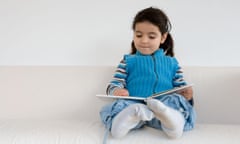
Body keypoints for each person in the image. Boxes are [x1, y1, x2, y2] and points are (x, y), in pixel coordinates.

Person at [99, 7, 196, 142]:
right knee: (112, 109)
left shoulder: (172, 63)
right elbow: (114, 83)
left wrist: (187, 95)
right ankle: (125, 121)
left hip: (163, 107)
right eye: (139, 35)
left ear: (163, 37)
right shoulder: (128, 61)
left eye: (151, 36)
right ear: (133, 35)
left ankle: (170, 120)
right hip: (134, 105)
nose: (144, 40)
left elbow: (180, 87)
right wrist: (117, 90)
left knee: (176, 102)